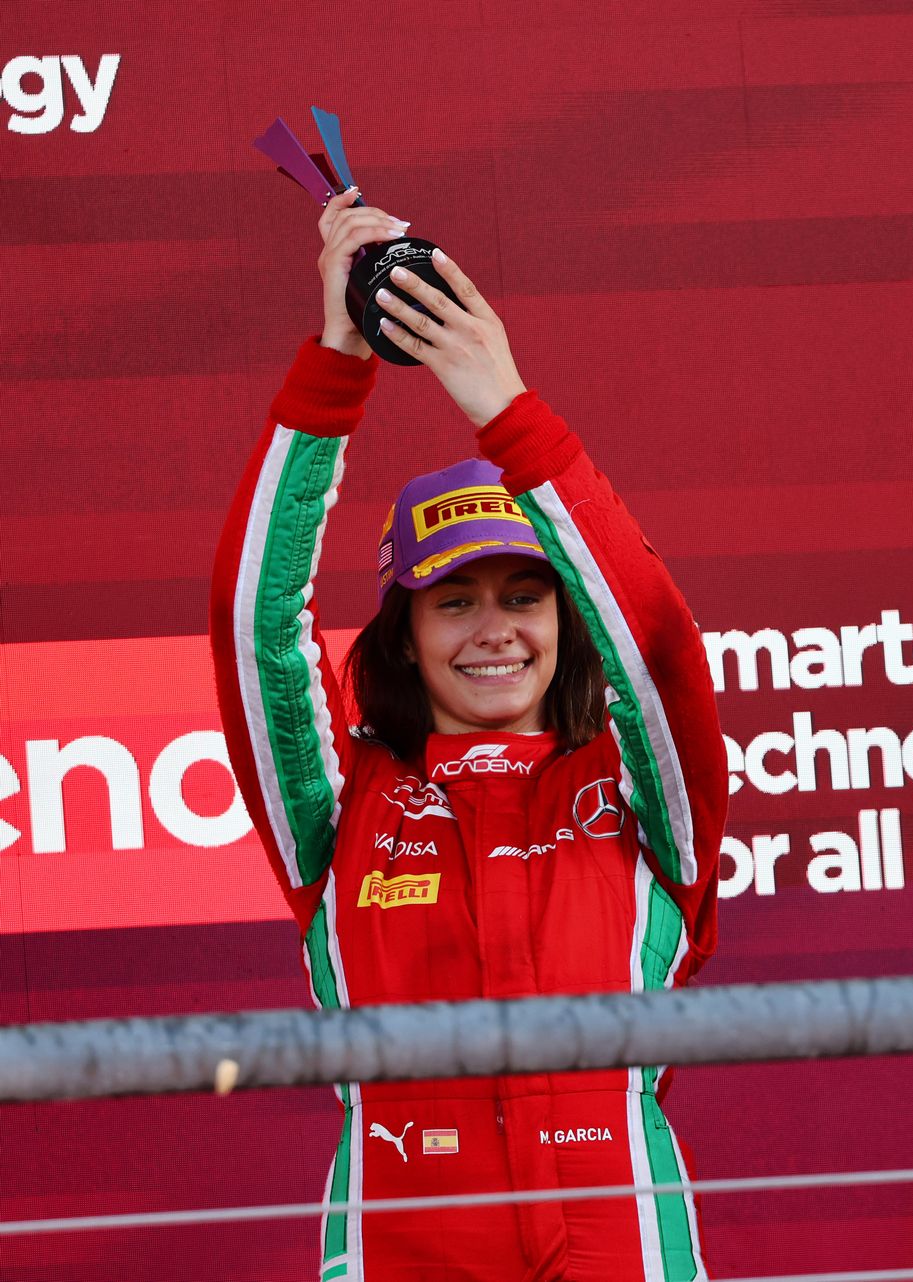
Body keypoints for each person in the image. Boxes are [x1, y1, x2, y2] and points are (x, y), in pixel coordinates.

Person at [210, 188, 727, 1282]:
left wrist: (505, 406)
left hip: (620, 1249)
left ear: (566, 622)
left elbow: (660, 648)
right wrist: (337, 364)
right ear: (404, 638)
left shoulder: (642, 799)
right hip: (400, 1250)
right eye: (454, 602)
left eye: (523, 597)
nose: (494, 630)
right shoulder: (339, 807)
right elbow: (256, 626)